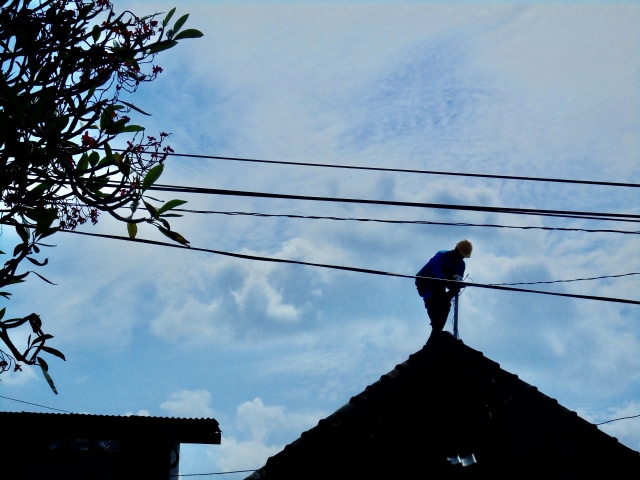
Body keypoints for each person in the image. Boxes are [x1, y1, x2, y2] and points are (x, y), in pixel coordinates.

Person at [416, 239, 472, 342]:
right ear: (455, 250)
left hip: (439, 286)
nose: (460, 258)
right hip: (425, 280)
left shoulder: (461, 265)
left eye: (462, 257)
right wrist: (447, 279)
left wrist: (455, 288)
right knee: (433, 303)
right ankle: (435, 333)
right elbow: (436, 271)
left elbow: (456, 281)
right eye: (459, 255)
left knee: (445, 305)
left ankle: (434, 336)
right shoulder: (442, 255)